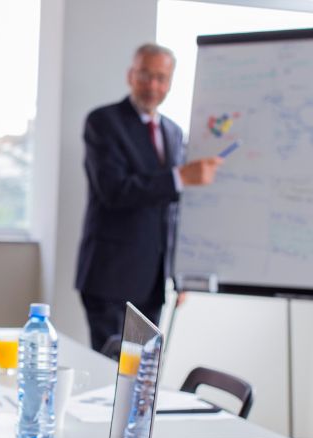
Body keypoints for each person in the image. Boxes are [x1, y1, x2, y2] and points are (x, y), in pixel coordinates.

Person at [75, 44, 222, 353]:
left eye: (161, 78)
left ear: (169, 83)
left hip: (153, 283)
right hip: (110, 278)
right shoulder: (103, 122)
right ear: (131, 75)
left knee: (144, 380)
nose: (153, 86)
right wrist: (180, 176)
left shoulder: (173, 131)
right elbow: (114, 190)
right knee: (112, 380)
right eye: (145, 76)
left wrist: (178, 271)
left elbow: (170, 211)